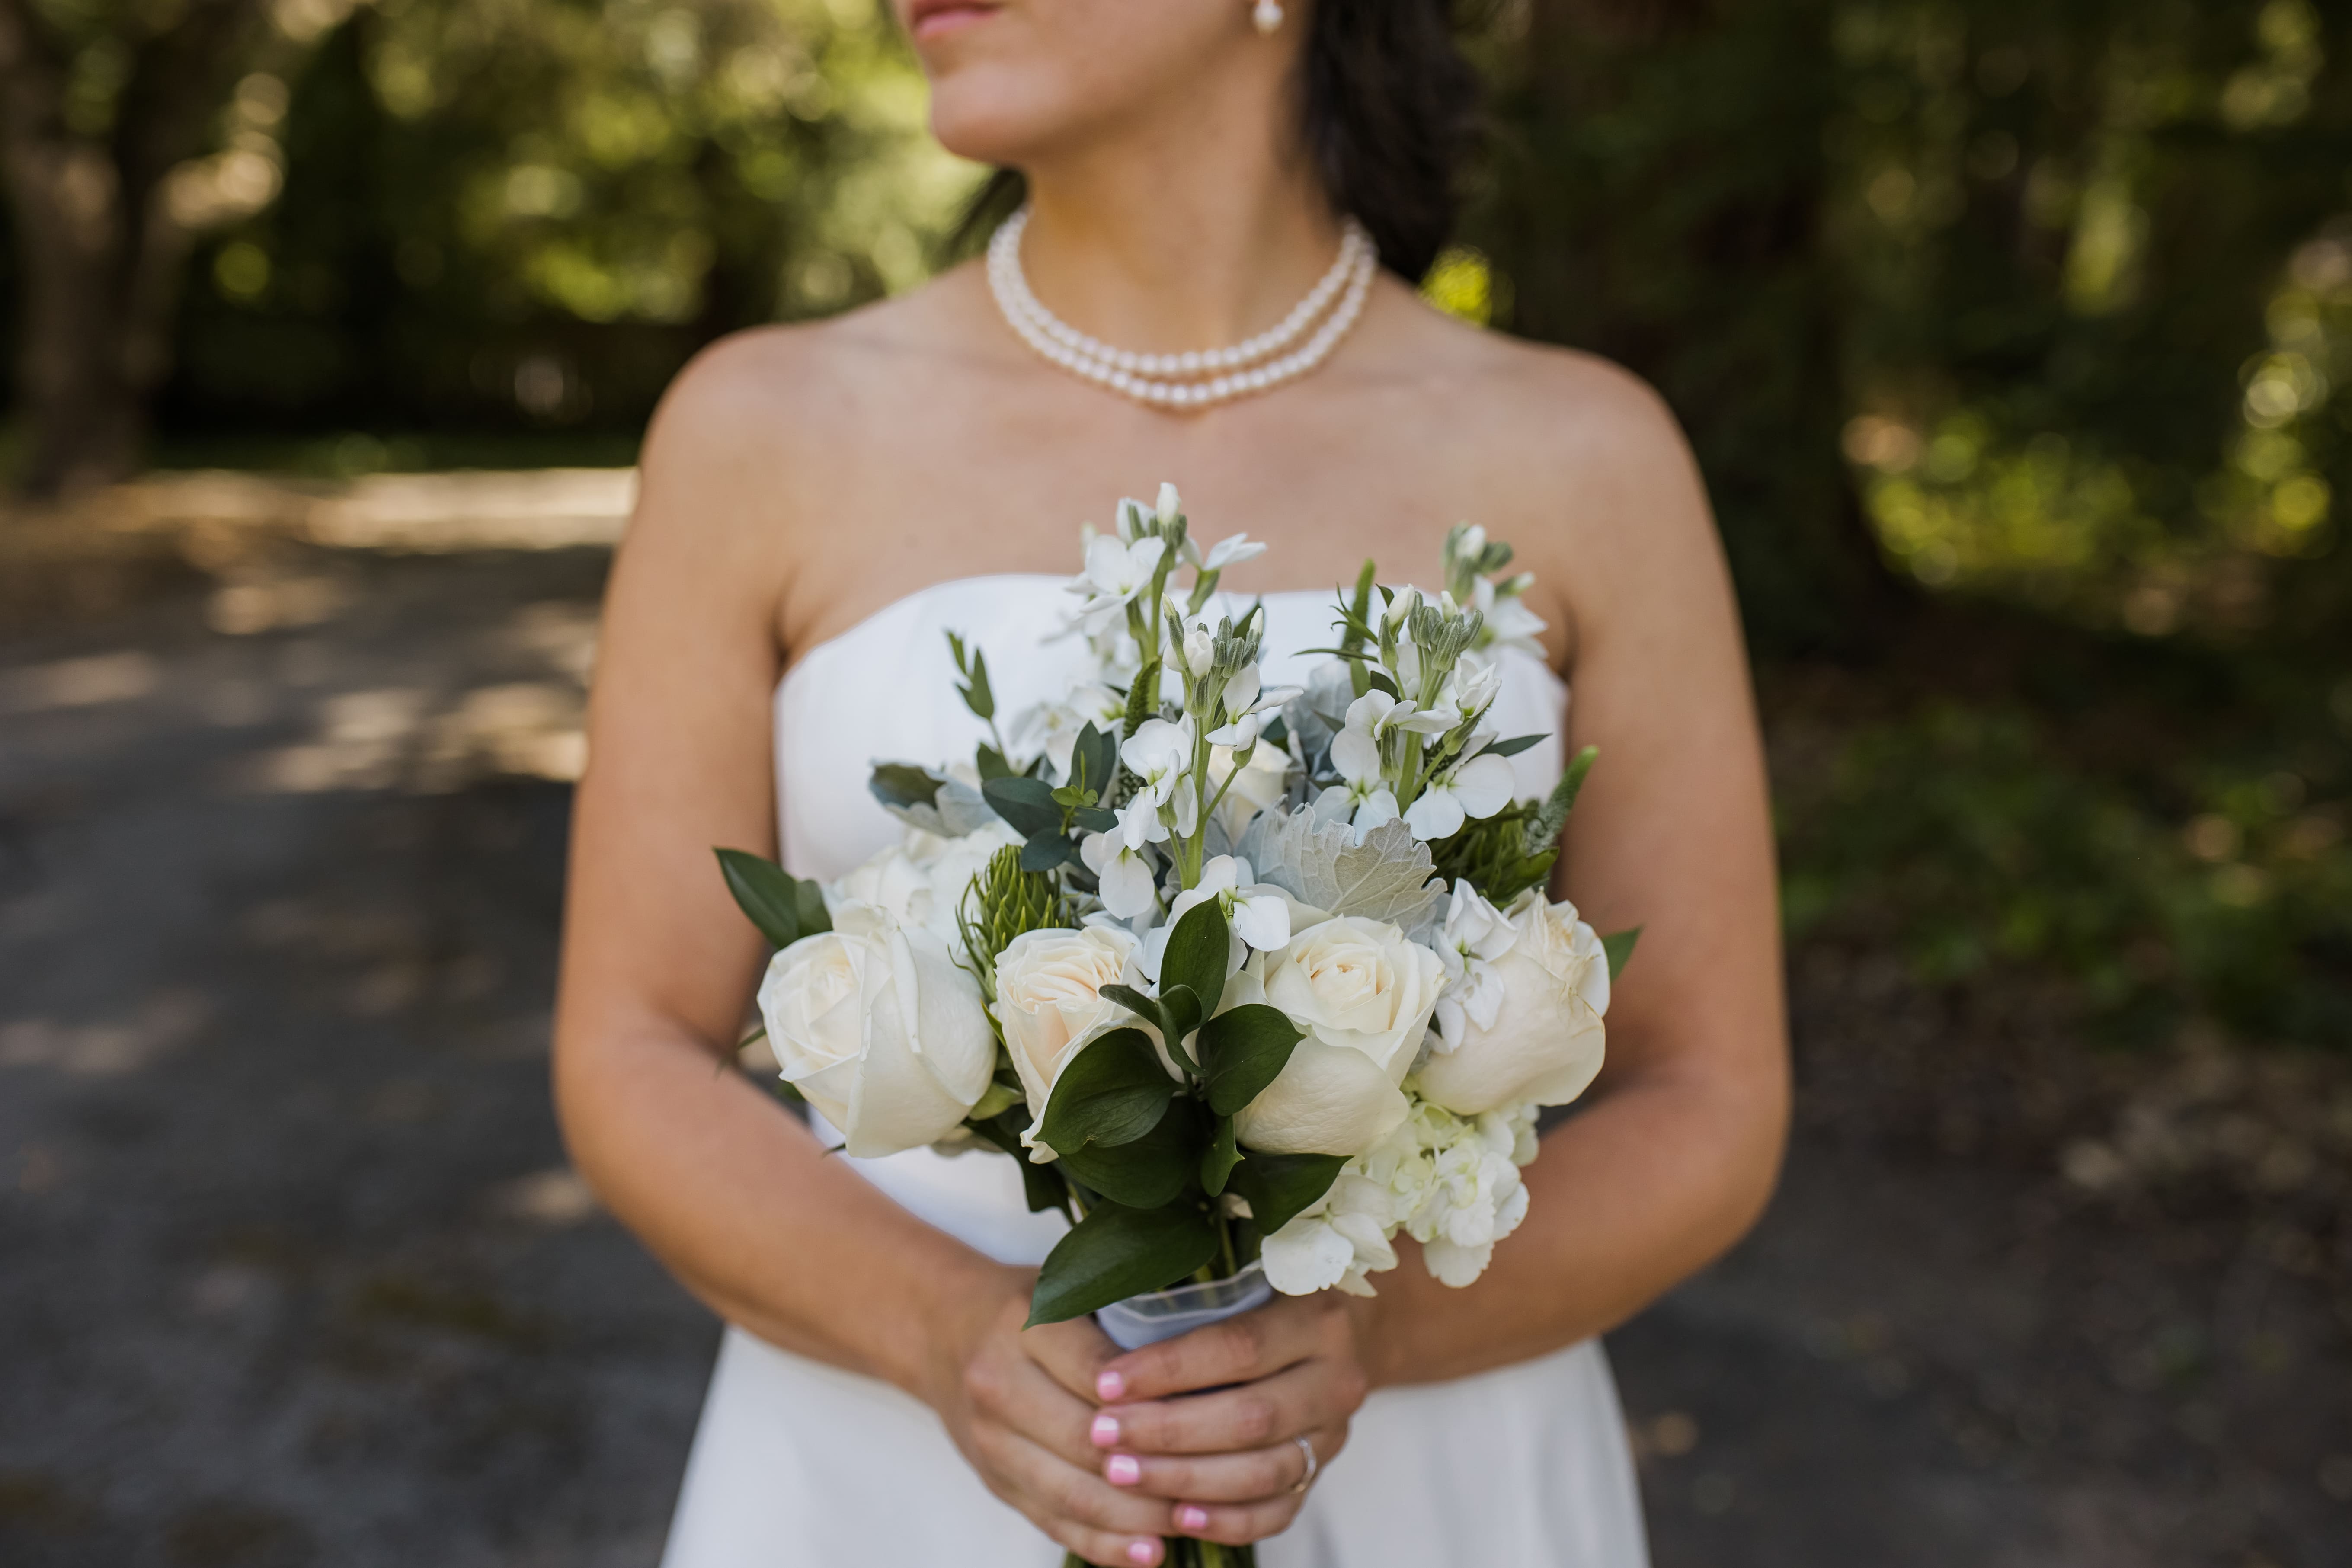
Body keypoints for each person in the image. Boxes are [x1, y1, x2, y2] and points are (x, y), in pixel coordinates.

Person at [552, 1, 1789, 1563]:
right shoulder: (762, 429)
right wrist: (956, 1333)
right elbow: (630, 1046)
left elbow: (1713, 1094)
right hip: (882, 1477)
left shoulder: (1590, 455)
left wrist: (1373, 1340)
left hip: (1434, 1479)